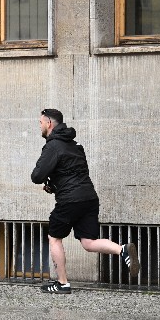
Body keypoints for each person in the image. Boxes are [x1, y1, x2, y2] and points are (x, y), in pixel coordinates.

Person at [31, 109, 139, 294]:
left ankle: (62, 283)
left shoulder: (53, 146)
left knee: (54, 237)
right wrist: (55, 186)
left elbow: (37, 176)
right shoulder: (75, 146)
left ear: (49, 123)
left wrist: (50, 181)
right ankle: (122, 249)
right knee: (88, 241)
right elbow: (74, 173)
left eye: (40, 122)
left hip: (69, 200)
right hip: (89, 197)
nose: (39, 125)